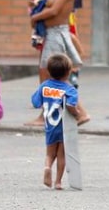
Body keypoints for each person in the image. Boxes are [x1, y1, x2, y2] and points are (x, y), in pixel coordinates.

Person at [29, 0, 90, 125]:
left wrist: (36, 16)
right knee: (50, 75)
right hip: (53, 33)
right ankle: (56, 113)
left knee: (52, 75)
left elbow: (55, 10)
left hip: (57, 33)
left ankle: (79, 113)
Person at [30, 54, 80, 190]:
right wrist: (77, 114)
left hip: (50, 126)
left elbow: (35, 103)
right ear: (69, 72)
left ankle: (47, 167)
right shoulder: (70, 90)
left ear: (48, 70)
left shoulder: (44, 86)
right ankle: (58, 182)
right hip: (64, 127)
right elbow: (70, 105)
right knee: (61, 155)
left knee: (50, 153)